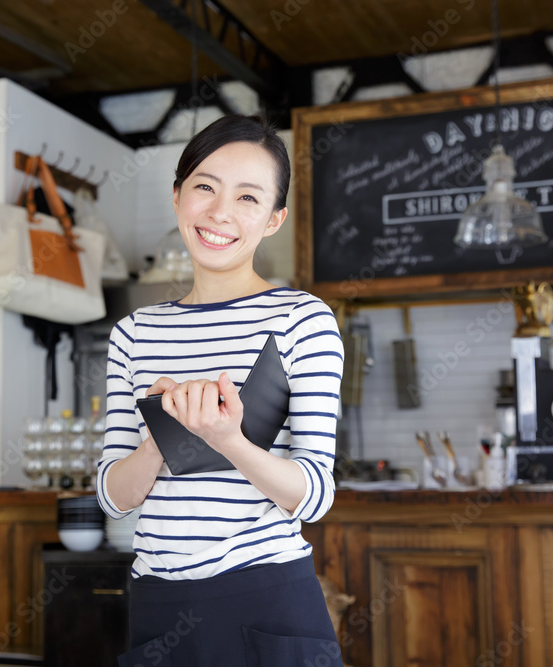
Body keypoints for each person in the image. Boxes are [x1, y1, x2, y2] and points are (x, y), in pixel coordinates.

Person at [97, 114, 345, 666]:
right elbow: (113, 497)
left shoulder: (302, 319)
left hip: (267, 595)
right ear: (178, 195)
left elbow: (314, 496)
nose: (220, 213)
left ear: (275, 218)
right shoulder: (134, 333)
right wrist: (162, 436)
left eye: (249, 198)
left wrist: (228, 439)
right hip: (160, 600)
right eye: (204, 187)